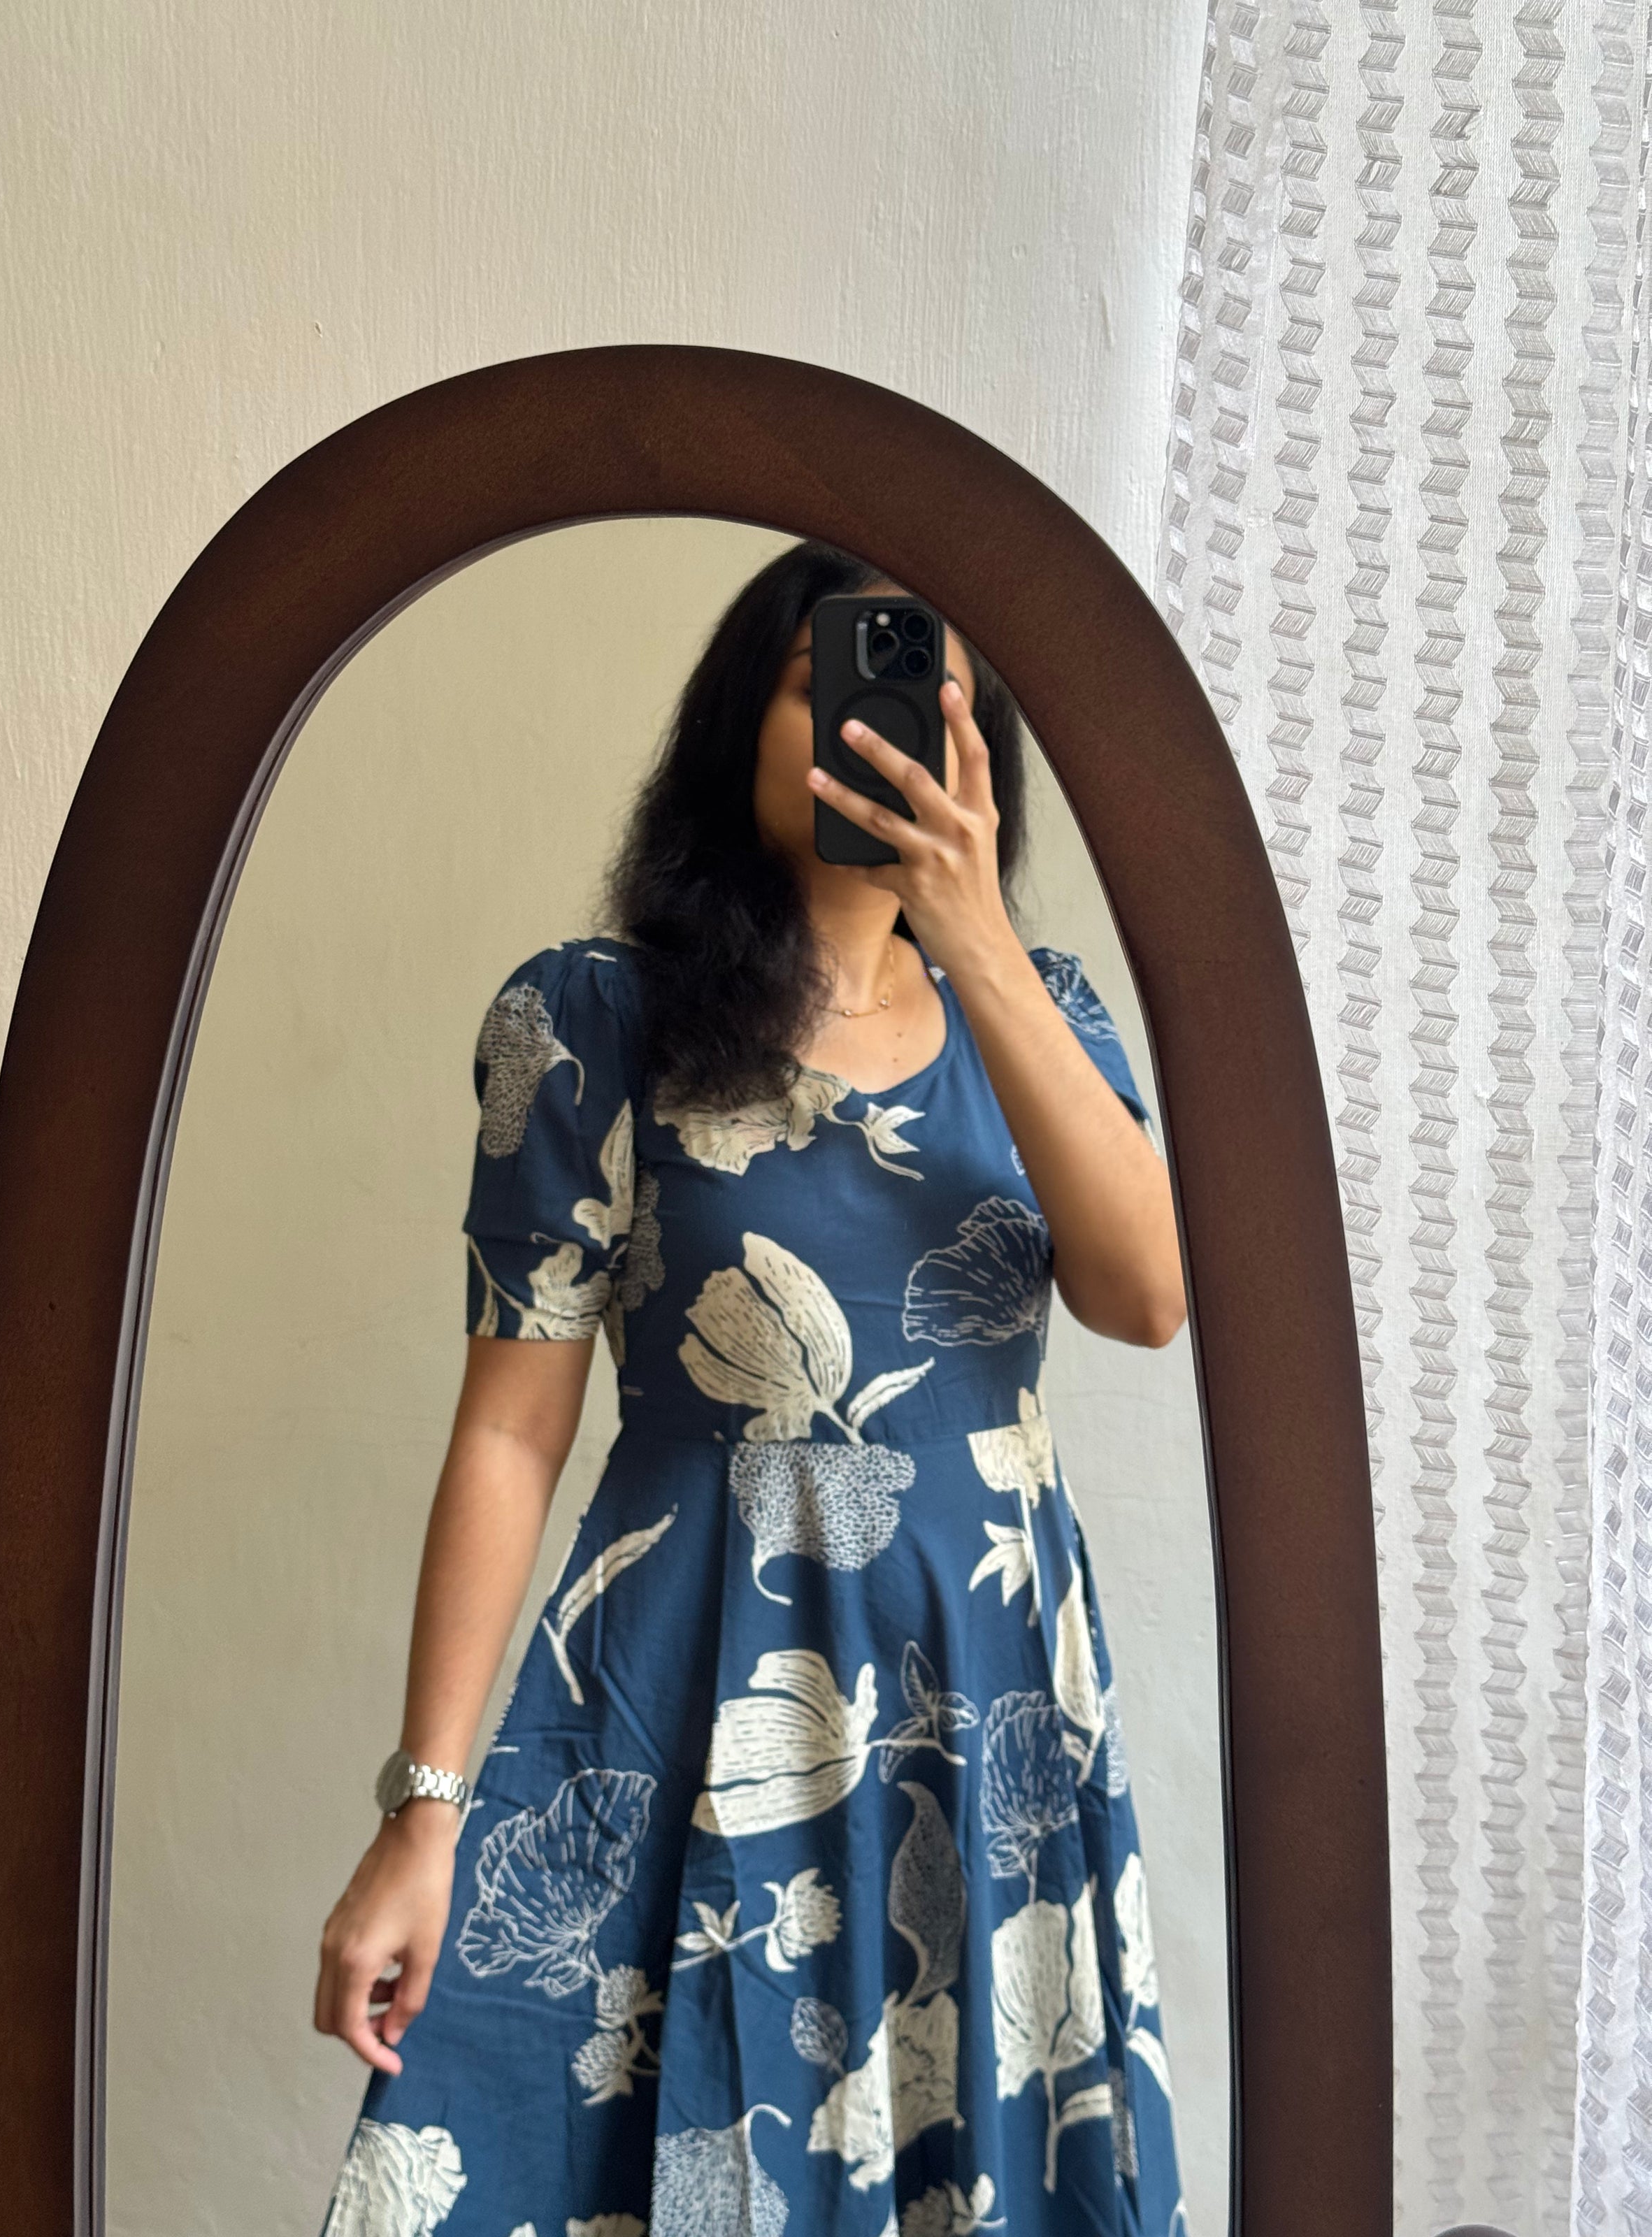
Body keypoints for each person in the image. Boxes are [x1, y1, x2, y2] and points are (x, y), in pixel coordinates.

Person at [314, 540, 1190, 2237]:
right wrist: (422, 1812)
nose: (871, 730)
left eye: (927, 701)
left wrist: (977, 939)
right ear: (742, 721)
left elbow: (1146, 1296)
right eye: (821, 686)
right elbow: (509, 1427)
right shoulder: (592, 1018)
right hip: (688, 1675)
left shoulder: (1048, 1014)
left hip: (979, 1687)